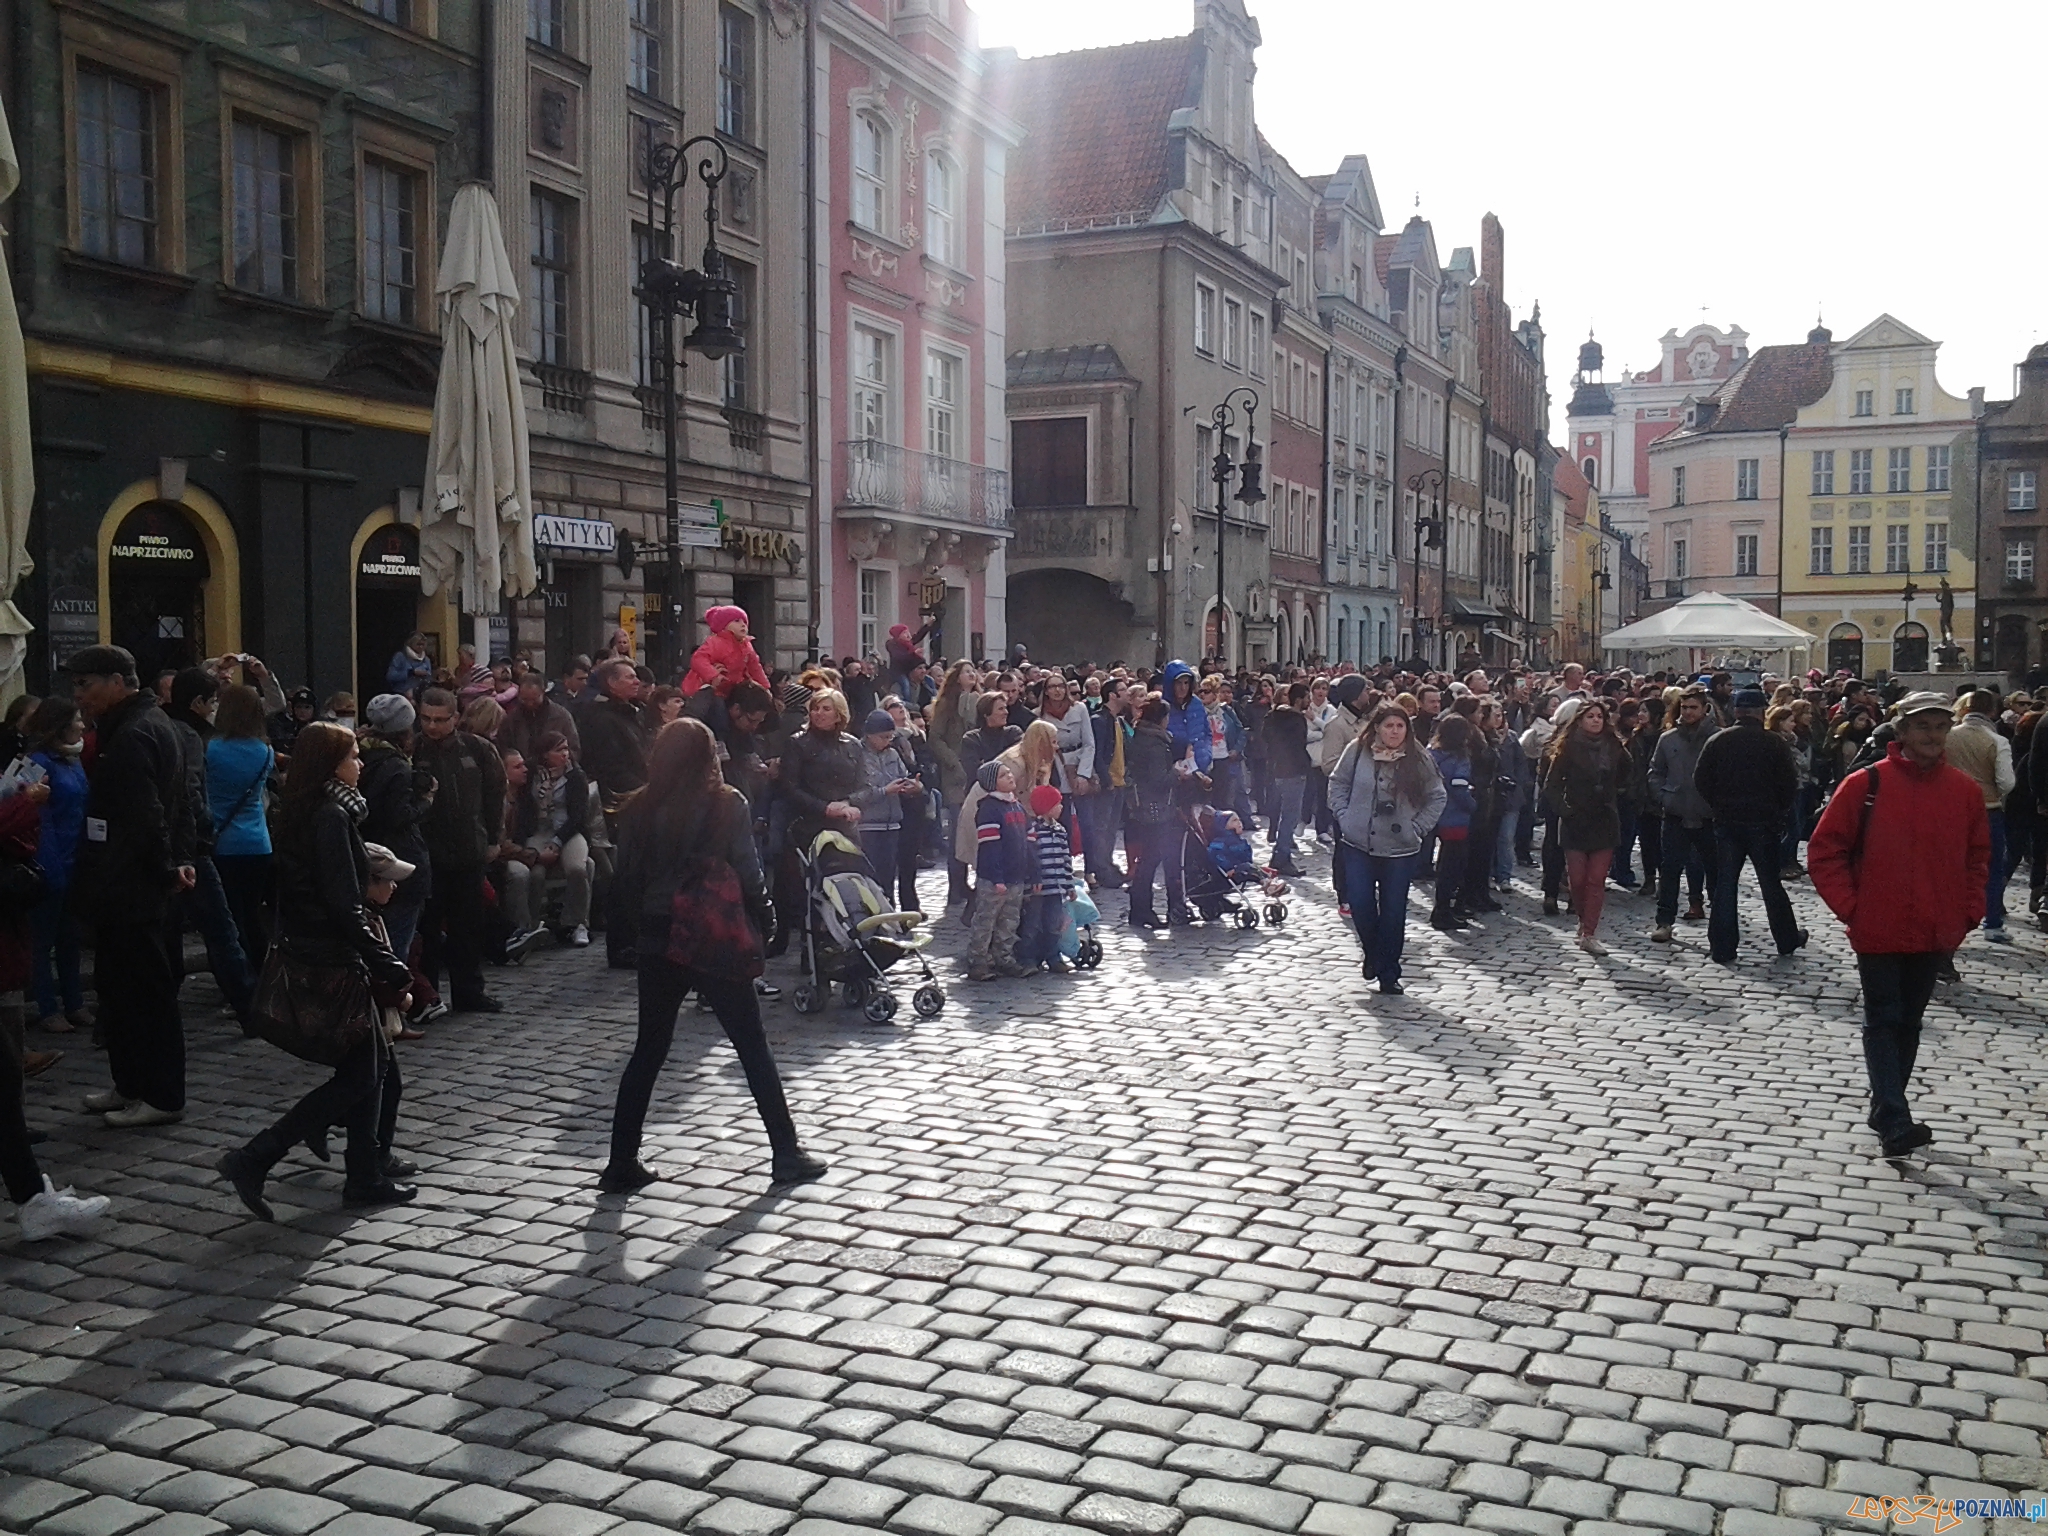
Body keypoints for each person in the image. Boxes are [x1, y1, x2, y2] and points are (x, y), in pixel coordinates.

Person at [602, 718, 826, 1193]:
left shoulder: (639, 805)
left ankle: (621, 1160)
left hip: (660, 932)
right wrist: (765, 921)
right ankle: (785, 1152)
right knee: (751, 1046)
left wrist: (641, 926)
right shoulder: (726, 803)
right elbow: (748, 870)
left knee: (648, 1050)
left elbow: (626, 877)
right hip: (713, 930)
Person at [217, 724, 418, 1218]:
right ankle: (256, 1156)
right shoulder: (331, 817)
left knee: (369, 1073)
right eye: (352, 755)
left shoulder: (307, 811)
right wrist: (389, 964)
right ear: (331, 764)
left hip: (320, 950)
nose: (360, 764)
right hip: (332, 959)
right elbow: (343, 903)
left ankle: (362, 1175)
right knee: (362, 1076)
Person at [1809, 693, 1989, 1158]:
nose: (1932, 736)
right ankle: (1894, 1116)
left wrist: (1968, 911)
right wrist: (1853, 906)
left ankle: (1886, 1105)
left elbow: (1978, 858)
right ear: (1903, 732)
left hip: (1935, 926)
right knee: (1884, 1018)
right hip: (1879, 925)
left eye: (1939, 727)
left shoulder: (1964, 791)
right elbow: (1825, 850)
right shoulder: (1866, 784)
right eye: (1923, 726)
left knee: (1908, 1022)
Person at [67, 645, 195, 1128]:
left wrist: (169, 866)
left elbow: (153, 813)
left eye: (86, 685)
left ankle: (161, 1095)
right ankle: (130, 1086)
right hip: (125, 885)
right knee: (119, 993)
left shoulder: (137, 732)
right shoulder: (142, 726)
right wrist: (179, 859)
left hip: (133, 887)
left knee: (147, 996)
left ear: (119, 681)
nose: (79, 697)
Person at [1328, 702, 1446, 993]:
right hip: (1358, 842)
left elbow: (1437, 796)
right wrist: (1345, 818)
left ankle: (1388, 972)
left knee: (1393, 911)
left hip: (1399, 847)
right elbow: (1338, 784)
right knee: (1360, 902)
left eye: (1400, 726)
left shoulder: (1418, 757)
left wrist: (1416, 828)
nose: (1394, 731)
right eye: (1389, 725)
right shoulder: (1357, 750)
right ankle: (1374, 952)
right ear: (1377, 727)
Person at [1692, 687, 1805, 964]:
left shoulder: (1719, 741)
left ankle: (1722, 946)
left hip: (1727, 821)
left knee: (1725, 885)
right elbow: (1789, 785)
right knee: (1770, 884)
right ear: (1761, 712)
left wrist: (1718, 804)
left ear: (1737, 711)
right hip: (1763, 822)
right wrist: (1778, 810)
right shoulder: (1774, 743)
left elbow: (1701, 779)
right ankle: (1786, 938)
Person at [414, 688, 507, 1014]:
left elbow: (496, 794)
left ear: (455, 718)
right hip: (428, 855)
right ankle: (428, 997)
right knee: (427, 931)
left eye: (440, 719)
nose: (432, 726)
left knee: (467, 929)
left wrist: (495, 838)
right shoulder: (412, 750)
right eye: (426, 718)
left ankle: (469, 993)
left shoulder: (477, 749)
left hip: (470, 850)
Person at [22, 700, 91, 1035]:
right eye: (77, 720)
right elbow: (37, 819)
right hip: (50, 864)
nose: (82, 725)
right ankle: (48, 1007)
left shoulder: (73, 760)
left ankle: (74, 1002)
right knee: (42, 941)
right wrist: (50, 867)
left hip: (76, 860)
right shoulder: (38, 763)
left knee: (69, 939)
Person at [1543, 698, 1625, 956]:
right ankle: (1581, 920)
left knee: (1596, 879)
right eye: (1590, 716)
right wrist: (1565, 810)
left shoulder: (1614, 747)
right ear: (1580, 720)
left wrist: (1615, 795)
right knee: (1577, 880)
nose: (1596, 720)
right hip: (1575, 821)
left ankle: (1589, 932)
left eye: (1599, 716)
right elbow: (1551, 785)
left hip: (1604, 820)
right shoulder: (1567, 748)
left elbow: (1628, 773)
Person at [207, 684, 278, 970]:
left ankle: (243, 976)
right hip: (259, 842)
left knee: (231, 917)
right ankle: (263, 973)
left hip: (223, 841)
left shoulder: (211, 749)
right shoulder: (265, 751)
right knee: (252, 914)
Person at [1943, 690, 2016, 944]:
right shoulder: (1996, 740)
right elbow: (2007, 781)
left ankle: (1947, 921)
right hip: (1988, 808)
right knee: (1991, 868)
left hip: (1950, 808)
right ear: (1993, 712)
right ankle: (1992, 923)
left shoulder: (1948, 737)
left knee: (1950, 866)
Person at [1648, 689, 1716, 942]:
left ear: (1704, 709)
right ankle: (1664, 921)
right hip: (1675, 813)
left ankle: (1718, 924)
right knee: (1670, 871)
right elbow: (1655, 772)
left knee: (1714, 873)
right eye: (1684, 707)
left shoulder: (1716, 738)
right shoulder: (1668, 739)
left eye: (1693, 707)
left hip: (1708, 816)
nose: (1688, 712)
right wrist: (1665, 796)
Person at [524, 731, 594, 947]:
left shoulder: (575, 776)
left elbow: (578, 817)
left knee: (578, 868)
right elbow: (526, 811)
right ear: (545, 754)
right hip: (539, 830)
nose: (565, 754)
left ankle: (576, 923)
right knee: (535, 872)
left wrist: (557, 842)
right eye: (558, 750)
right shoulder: (532, 775)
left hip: (568, 830)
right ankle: (532, 924)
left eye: (566, 749)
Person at [1123, 695, 1187, 930]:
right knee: (1151, 859)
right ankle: (1141, 909)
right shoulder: (1155, 744)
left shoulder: (1142, 737)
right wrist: (1177, 773)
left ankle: (1149, 908)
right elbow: (1159, 779)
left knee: (1151, 859)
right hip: (1156, 808)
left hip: (1145, 807)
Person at [965, 760, 1031, 980]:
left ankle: (1004, 957)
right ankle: (978, 961)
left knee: (1009, 921)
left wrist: (1031, 871)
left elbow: (1028, 840)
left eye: (1009, 772)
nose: (1010, 776)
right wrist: (996, 877)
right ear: (992, 783)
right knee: (986, 920)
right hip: (995, 878)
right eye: (1003, 775)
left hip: (1016, 876)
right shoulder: (989, 808)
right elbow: (989, 848)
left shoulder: (1017, 805)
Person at [853, 709, 919, 911]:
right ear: (869, 735)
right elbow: (855, 795)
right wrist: (884, 791)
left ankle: (889, 914)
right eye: (883, 737)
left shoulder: (892, 753)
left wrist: (912, 787)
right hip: (868, 826)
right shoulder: (857, 754)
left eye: (891, 736)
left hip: (892, 824)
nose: (888, 741)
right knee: (871, 877)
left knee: (889, 876)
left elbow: (903, 775)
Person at [1425, 714, 1480, 932]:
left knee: (1444, 865)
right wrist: (1472, 804)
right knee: (1452, 867)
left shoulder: (1431, 754)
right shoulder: (1459, 758)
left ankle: (1442, 908)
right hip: (1455, 818)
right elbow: (1459, 786)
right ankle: (1443, 910)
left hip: (1436, 815)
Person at [1018, 784, 1075, 974]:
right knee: (1032, 925)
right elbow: (1029, 859)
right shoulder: (1033, 831)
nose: (1061, 808)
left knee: (1054, 925)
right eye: (1058, 804)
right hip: (1039, 889)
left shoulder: (1061, 830)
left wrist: (1069, 884)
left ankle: (1053, 956)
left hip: (1057, 888)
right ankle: (1028, 958)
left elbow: (1066, 859)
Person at [579, 659, 650, 801]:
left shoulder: (633, 713)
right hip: (622, 801)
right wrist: (646, 793)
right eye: (630, 677)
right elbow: (611, 770)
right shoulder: (601, 720)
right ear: (612, 682)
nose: (637, 682)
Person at [1260, 684, 1312, 878]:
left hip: (1276, 769)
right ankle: (1282, 857)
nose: (1308, 701)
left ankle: (1279, 855)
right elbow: (1299, 745)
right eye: (1307, 697)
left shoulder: (1272, 716)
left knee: (1284, 813)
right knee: (1291, 815)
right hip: (1294, 770)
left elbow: (1266, 738)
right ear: (1298, 699)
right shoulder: (1297, 719)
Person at [681, 605, 772, 700]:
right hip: (705, 690)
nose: (743, 624)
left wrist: (765, 688)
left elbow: (755, 668)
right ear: (723, 626)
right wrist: (713, 676)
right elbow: (698, 659)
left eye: (744, 621)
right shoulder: (715, 642)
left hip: (730, 690)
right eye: (737, 621)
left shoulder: (747, 646)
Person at [497, 672, 581, 766]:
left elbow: (574, 749)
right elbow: (503, 748)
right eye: (525, 699)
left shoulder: (562, 717)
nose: (529, 704)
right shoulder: (511, 719)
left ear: (543, 692)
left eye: (534, 699)